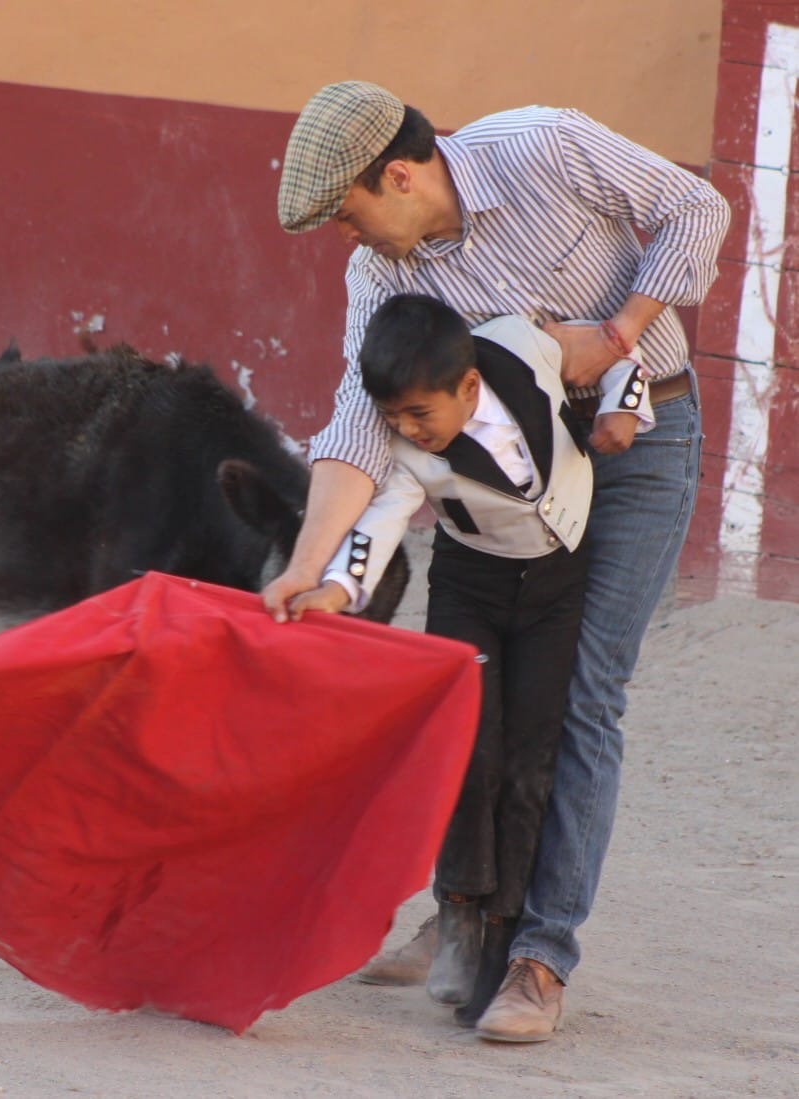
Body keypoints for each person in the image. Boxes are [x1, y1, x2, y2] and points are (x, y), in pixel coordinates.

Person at [264, 81, 730, 1042]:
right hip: (506, 504)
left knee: (586, 693)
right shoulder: (380, 279)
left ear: (398, 174)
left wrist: (616, 334)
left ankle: (540, 955)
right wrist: (308, 563)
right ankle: (467, 910)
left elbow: (697, 206)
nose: (350, 241)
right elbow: (359, 426)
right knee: (481, 697)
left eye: (350, 214)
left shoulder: (540, 146)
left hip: (636, 440)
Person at [290, 292, 654, 1027]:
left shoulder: (523, 344)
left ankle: (500, 939)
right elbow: (379, 523)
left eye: (418, 414)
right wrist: (336, 586)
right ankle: (457, 907)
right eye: (392, 418)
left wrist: (624, 406)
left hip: (557, 589)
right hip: (470, 591)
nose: (406, 431)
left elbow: (616, 350)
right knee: (469, 752)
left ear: (465, 386)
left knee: (528, 765)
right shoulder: (404, 453)